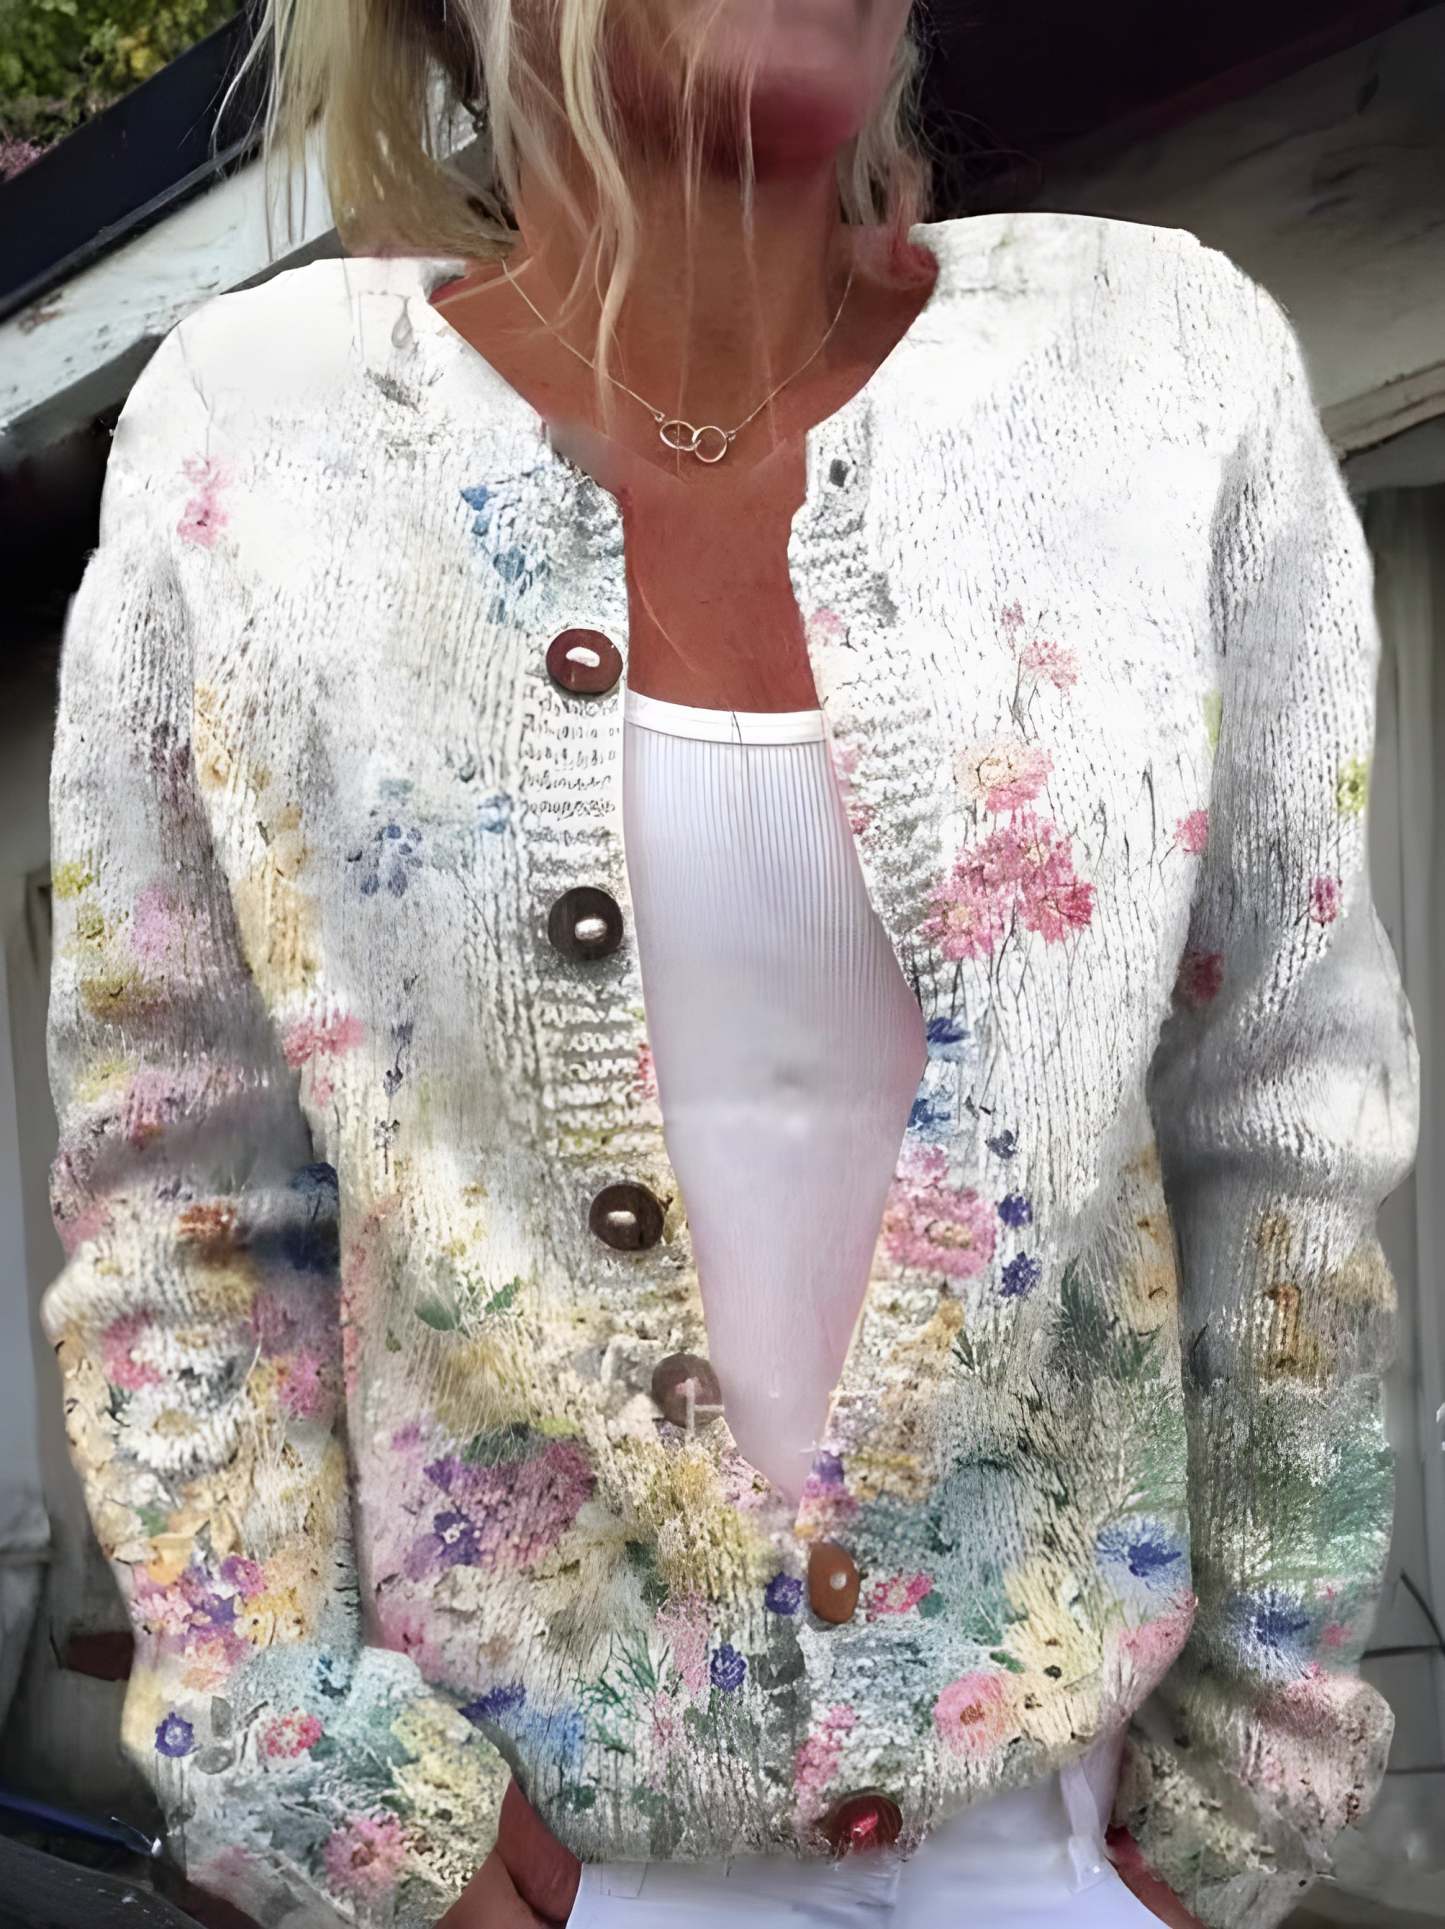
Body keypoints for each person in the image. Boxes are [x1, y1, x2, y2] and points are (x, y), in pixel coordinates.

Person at [41, 0, 1418, 1923]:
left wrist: (1253, 1769)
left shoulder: (1160, 369)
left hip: (1064, 1845)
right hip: (519, 1854)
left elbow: (1279, 1118)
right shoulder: (261, 431)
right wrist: (306, 1772)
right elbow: (183, 1191)